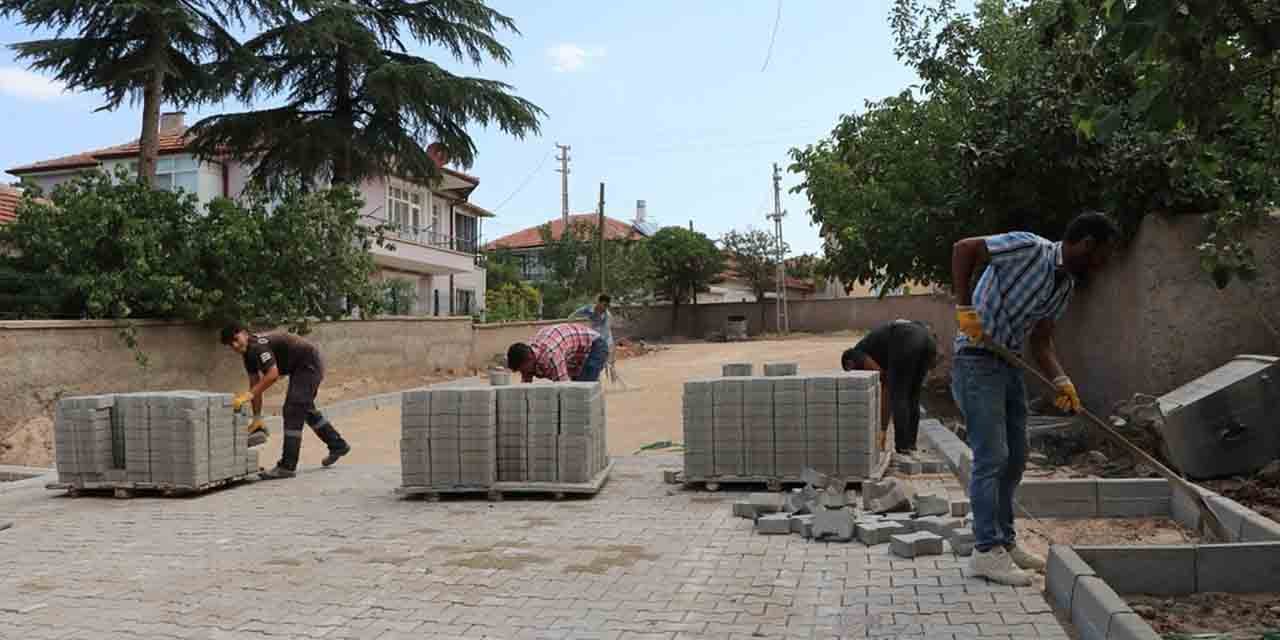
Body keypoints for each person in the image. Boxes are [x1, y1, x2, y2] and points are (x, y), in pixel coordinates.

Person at [951, 212, 1119, 585]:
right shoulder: (1029, 247)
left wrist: (1062, 381)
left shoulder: (1065, 287)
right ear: (1087, 244)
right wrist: (965, 308)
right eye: (1101, 255)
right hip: (976, 359)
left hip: (1008, 364)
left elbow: (1041, 341)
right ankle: (984, 551)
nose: (1102, 265)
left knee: (1016, 458)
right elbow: (964, 249)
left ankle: (1005, 543)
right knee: (992, 457)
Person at [220, 323, 351, 479]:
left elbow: (272, 375)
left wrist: (247, 396)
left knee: (293, 410)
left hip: (308, 364)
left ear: (244, 333)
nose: (234, 345)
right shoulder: (247, 354)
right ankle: (338, 445)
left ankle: (287, 467)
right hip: (298, 368)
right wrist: (256, 417)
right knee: (305, 409)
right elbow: (255, 384)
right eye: (230, 344)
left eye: (235, 339)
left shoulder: (258, 347)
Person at [841, 319, 938, 457]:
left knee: (900, 395)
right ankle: (911, 444)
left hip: (906, 341)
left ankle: (903, 447)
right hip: (927, 341)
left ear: (849, 364)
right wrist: (883, 431)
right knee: (912, 396)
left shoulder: (854, 354)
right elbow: (886, 386)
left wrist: (880, 431)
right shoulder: (879, 349)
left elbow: (883, 377)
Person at [507, 323, 608, 383]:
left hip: (594, 345)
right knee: (579, 392)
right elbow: (525, 386)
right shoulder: (526, 354)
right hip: (573, 352)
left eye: (523, 369)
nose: (523, 373)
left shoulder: (551, 356)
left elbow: (564, 388)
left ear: (529, 359)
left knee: (583, 389)